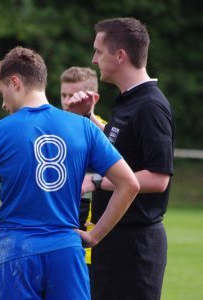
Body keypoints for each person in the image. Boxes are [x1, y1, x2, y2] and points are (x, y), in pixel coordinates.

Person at [0, 46, 140, 300]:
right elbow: (130, 184)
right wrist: (94, 235)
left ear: (15, 82)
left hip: (17, 253)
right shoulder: (84, 127)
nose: (3, 103)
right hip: (67, 251)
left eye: (3, 93)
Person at [78, 17, 174, 300]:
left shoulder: (150, 106)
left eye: (98, 51)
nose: (94, 60)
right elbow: (119, 147)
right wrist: (89, 118)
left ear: (120, 56)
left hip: (135, 246)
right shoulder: (129, 101)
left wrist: (96, 181)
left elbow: (158, 178)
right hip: (113, 239)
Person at [60, 66, 106, 272]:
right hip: (56, 237)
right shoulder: (51, 132)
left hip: (92, 241)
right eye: (64, 95)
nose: (68, 101)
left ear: (93, 98)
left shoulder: (105, 132)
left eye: (74, 95)